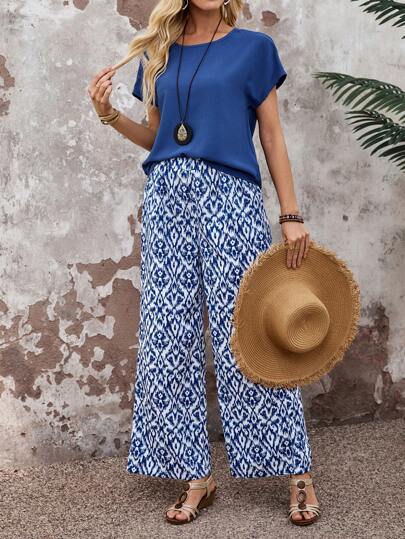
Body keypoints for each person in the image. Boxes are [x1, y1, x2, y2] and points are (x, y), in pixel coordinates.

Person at [87, 0, 320, 527]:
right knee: (168, 337)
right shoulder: (158, 54)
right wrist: (109, 114)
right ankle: (195, 475)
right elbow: (159, 138)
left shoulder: (254, 48)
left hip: (230, 197)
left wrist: (290, 214)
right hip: (167, 197)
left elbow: (271, 135)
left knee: (251, 334)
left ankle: (297, 471)